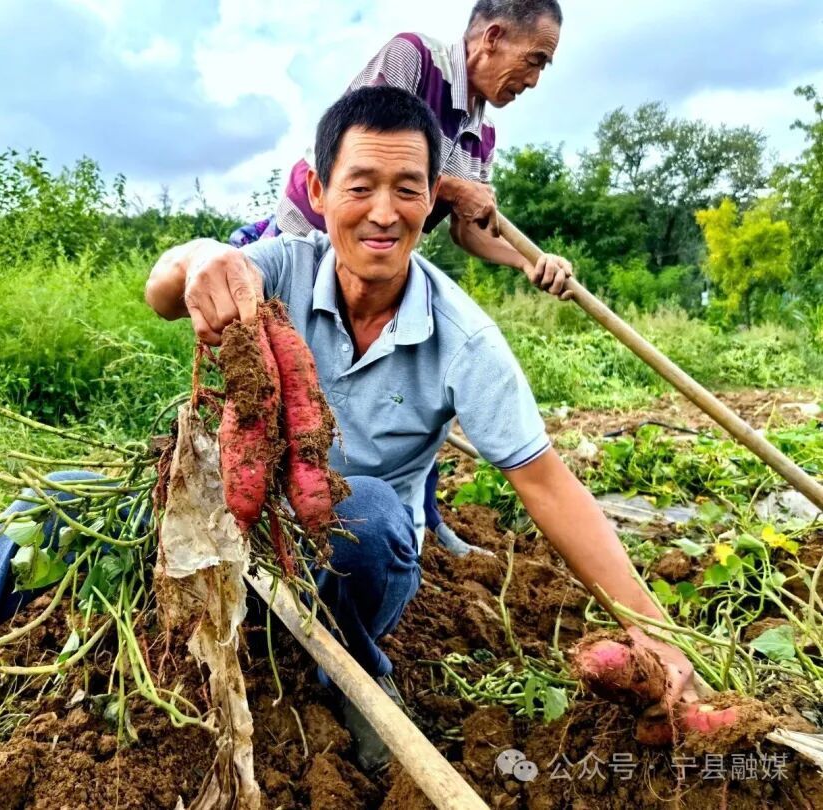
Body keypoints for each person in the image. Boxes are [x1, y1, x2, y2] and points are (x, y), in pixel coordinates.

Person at [147, 85, 699, 766]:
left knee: (369, 509)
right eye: (361, 187)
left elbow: (547, 485)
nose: (384, 213)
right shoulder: (281, 267)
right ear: (318, 193)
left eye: (407, 189)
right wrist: (201, 255)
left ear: (430, 200)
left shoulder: (464, 337)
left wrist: (653, 630)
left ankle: (355, 666)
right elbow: (162, 289)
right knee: (45, 505)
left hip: (363, 562)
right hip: (249, 535)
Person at [230, 0, 575, 556]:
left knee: (410, 397)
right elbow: (356, 146)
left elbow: (469, 231)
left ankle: (417, 517)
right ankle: (268, 513)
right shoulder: (415, 60)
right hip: (316, 246)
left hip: (382, 266)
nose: (533, 80)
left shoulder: (481, 137)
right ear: (491, 38)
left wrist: (527, 262)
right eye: (534, 60)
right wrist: (447, 185)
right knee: (282, 393)